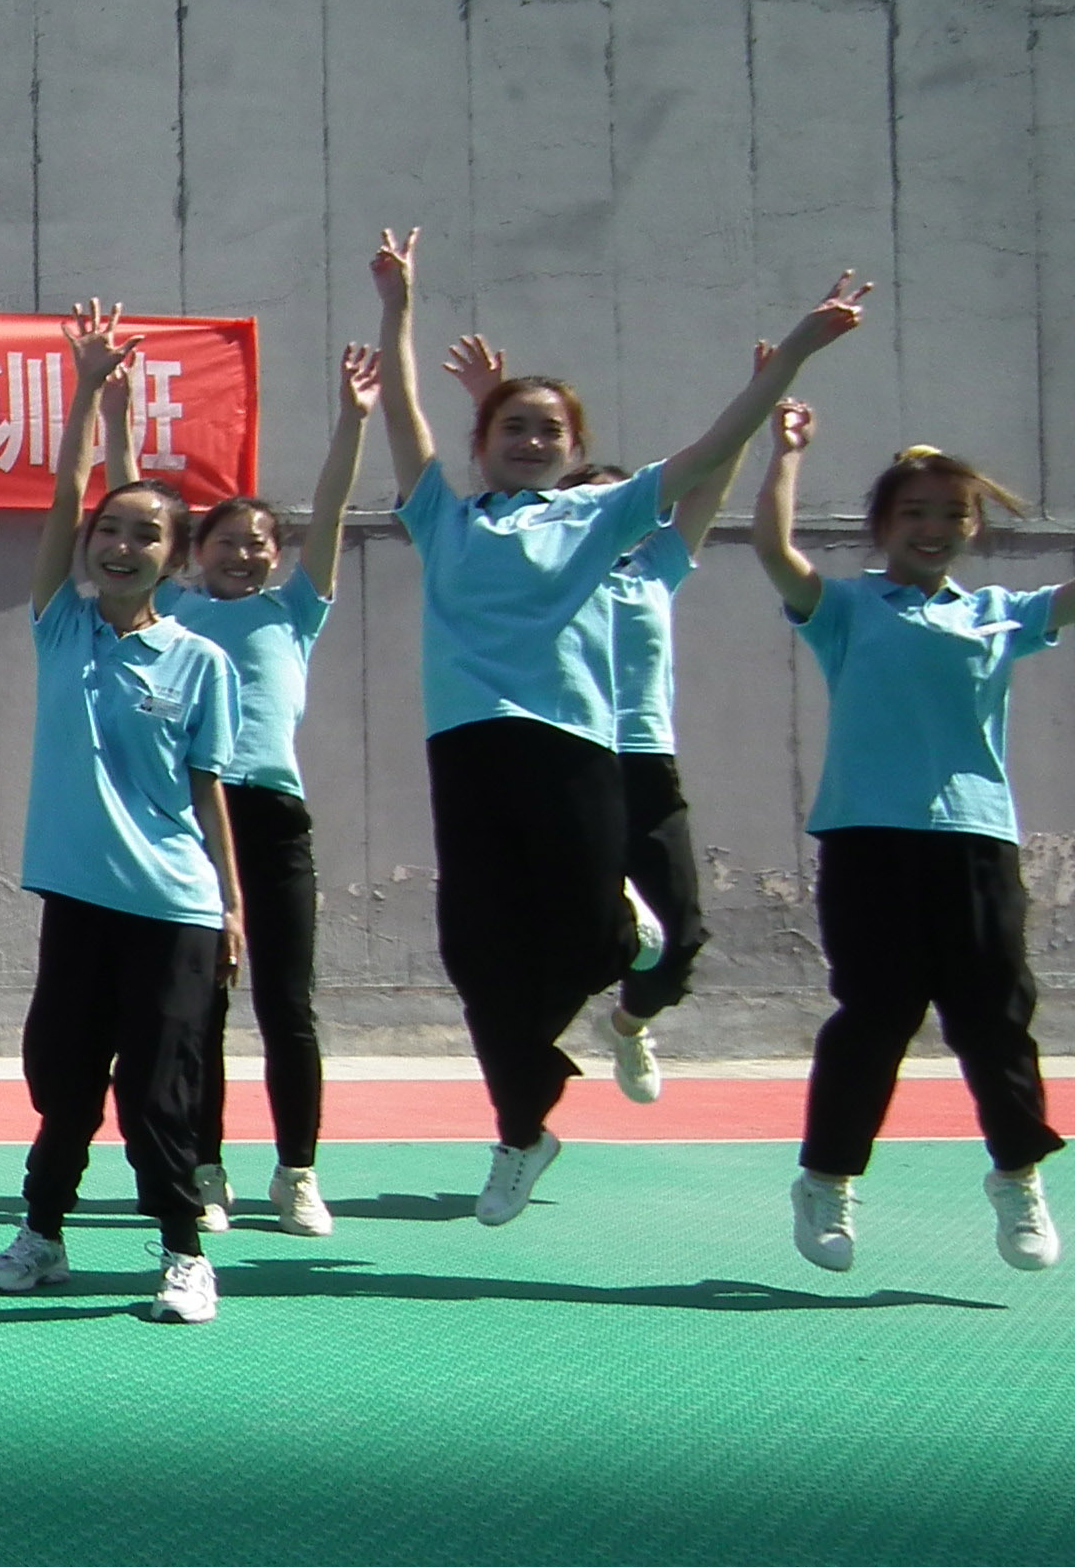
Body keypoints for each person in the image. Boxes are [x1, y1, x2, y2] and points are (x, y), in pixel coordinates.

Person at [373, 227, 868, 1223]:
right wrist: (399, 307)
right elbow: (401, 410)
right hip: (465, 750)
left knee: (589, 935)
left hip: (573, 748)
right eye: (514, 429)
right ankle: (525, 1130)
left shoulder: (599, 523)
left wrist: (795, 356)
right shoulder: (444, 517)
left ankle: (619, 947)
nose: (532, 442)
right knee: (475, 956)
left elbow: (710, 457)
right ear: (482, 444)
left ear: (575, 452)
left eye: (551, 433)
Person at [0, 308, 246, 1322]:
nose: (122, 544)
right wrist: (86, 389)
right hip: (79, 900)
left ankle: (182, 1251)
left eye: (147, 534)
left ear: (174, 560)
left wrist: (231, 905)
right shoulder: (62, 629)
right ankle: (43, 1237)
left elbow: (208, 790)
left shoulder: (200, 663)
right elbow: (61, 496)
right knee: (63, 1082)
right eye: (110, 530)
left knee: (158, 1093)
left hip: (174, 906)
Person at [753, 403, 1061, 1275]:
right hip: (868, 842)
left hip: (976, 841)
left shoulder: (1001, 613)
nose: (934, 528)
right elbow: (774, 551)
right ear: (883, 526)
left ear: (974, 526)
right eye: (915, 513)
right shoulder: (847, 609)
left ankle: (1017, 1175)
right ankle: (827, 1179)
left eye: (953, 514)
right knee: (876, 1015)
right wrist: (786, 455)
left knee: (995, 1018)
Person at [440, 331, 758, 1109]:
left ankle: (629, 1023)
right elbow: (505, 494)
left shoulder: (655, 568)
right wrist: (489, 403)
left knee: (679, 941)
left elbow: (709, 474)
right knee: (556, 936)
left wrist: (760, 403)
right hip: (567, 758)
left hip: (640, 758)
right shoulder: (544, 566)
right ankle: (530, 1075)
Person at [109, 340, 377, 1236]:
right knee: (203, 1008)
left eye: (260, 543)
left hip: (273, 817)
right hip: (194, 819)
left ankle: (297, 1171)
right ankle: (206, 1166)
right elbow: (130, 504)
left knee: (288, 1005)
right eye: (228, 540)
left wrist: (353, 421)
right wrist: (115, 414)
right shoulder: (175, 611)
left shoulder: (292, 610)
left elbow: (332, 512)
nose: (245, 553)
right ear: (197, 552)